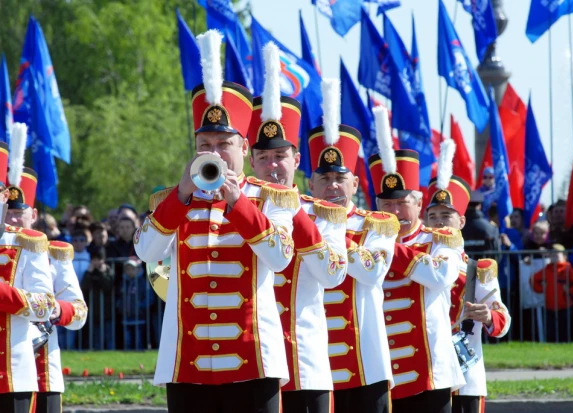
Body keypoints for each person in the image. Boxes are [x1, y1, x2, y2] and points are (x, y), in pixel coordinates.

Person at [134, 31, 297, 413]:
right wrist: (180, 197)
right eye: (204, 144)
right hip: (187, 362)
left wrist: (238, 202)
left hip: (253, 361)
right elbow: (146, 250)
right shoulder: (174, 201)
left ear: (243, 147)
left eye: (224, 144)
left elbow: (281, 257)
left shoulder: (270, 199)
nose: (214, 152)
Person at [247, 55, 348, 412]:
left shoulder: (324, 214)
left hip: (304, 360)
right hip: (250, 362)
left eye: (280, 156)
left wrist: (292, 210)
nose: (273, 166)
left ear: (296, 160)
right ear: (251, 161)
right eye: (264, 157)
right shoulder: (236, 207)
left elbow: (333, 273)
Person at [307, 83, 397, 413]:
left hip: (364, 360)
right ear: (310, 184)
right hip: (310, 359)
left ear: (355, 184)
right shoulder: (298, 221)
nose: (332, 186)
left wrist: (326, 231)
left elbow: (371, 270)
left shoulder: (378, 224)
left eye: (340, 179)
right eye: (325, 178)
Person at [370, 119, 464, 413]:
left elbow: (439, 275)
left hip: (429, 369)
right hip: (383, 369)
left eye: (403, 203)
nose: (395, 212)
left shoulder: (442, 238)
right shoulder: (365, 240)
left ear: (419, 201)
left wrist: (389, 248)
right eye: (387, 205)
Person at [424, 141, 511, 413]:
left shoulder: (477, 268)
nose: (439, 222)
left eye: (446, 216)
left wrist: (487, 316)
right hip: (428, 373)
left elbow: (502, 319)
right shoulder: (417, 263)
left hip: (466, 376)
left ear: (461, 221)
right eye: (433, 216)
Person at [5, 159, 88, 413]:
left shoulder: (54, 253)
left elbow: (79, 311)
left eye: (20, 212)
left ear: (34, 214)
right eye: (8, 211)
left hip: (43, 371)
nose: (13, 218)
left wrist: (55, 310)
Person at [0, 130, 55, 413]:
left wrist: (2, 293)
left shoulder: (26, 242)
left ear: (4, 195)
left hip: (12, 375)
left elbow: (46, 305)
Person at [530, 245, 573, 342]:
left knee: (565, 330)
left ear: (564, 256)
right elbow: (533, 279)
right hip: (549, 306)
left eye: (557, 253)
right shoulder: (547, 269)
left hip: (565, 306)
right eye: (552, 254)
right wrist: (541, 289)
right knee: (550, 331)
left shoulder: (567, 268)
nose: (554, 256)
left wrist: (570, 290)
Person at [81, 246, 114, 350]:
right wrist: (89, 273)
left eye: (98, 259)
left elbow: (108, 285)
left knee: (109, 336)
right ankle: (96, 350)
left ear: (103, 260)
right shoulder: (89, 272)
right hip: (94, 310)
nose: (96, 262)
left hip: (107, 310)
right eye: (94, 260)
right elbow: (84, 287)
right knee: (96, 336)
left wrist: (102, 272)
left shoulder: (108, 270)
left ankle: (110, 352)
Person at [118, 257, 152, 350]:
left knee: (138, 341)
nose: (129, 271)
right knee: (127, 341)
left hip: (139, 317)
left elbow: (149, 298)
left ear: (138, 269)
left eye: (132, 268)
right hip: (126, 317)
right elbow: (119, 297)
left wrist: (140, 307)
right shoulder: (123, 282)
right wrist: (120, 306)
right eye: (127, 269)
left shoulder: (143, 282)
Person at [462, 190, 500, 257]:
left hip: (463, 267)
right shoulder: (491, 228)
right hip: (485, 267)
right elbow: (497, 255)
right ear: (479, 206)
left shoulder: (458, 227)